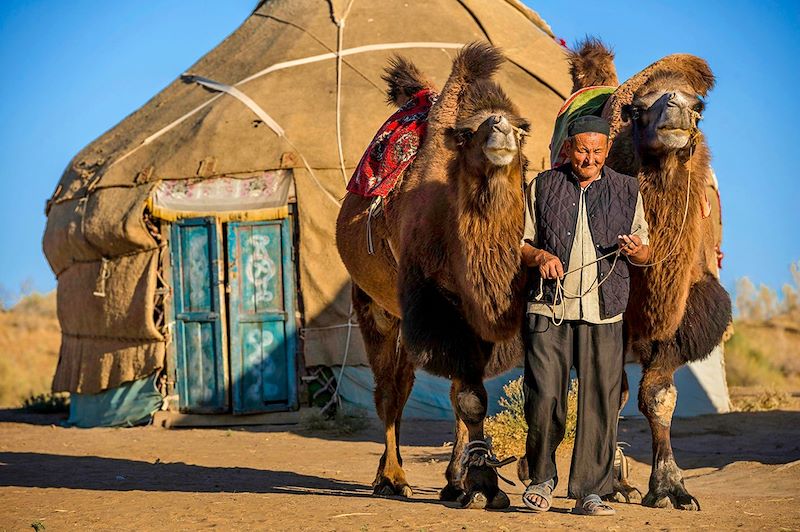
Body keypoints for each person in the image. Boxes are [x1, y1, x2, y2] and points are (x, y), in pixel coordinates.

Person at [520, 115, 650, 516]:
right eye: (582, 150)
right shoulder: (541, 185)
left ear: (607, 150)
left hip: (604, 311)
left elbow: (647, 253)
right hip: (549, 307)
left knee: (601, 402)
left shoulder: (628, 190)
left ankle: (591, 491)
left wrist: (635, 250)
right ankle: (541, 480)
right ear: (568, 149)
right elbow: (521, 245)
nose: (589, 158)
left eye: (597, 151)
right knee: (544, 397)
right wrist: (540, 255)